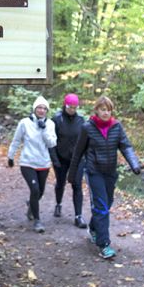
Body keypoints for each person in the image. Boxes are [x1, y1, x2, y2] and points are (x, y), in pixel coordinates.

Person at [68, 95, 141, 259]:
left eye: (108, 110)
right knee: (101, 207)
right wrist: (72, 174)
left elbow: (125, 146)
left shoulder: (117, 127)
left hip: (110, 172)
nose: (106, 113)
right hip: (94, 172)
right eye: (103, 109)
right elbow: (78, 152)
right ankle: (104, 245)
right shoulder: (88, 127)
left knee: (106, 205)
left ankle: (94, 228)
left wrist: (134, 164)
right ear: (97, 110)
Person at [8, 96, 57, 233]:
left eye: (44, 108)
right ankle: (37, 220)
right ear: (34, 109)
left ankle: (31, 206)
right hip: (27, 162)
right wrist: (10, 156)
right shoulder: (24, 123)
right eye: (39, 108)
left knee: (40, 192)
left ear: (47, 110)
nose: (41, 110)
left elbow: (52, 143)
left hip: (43, 163)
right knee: (35, 189)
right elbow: (16, 140)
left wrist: (44, 130)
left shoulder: (51, 124)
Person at [51, 93, 87, 228]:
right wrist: (54, 159)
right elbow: (51, 141)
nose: (72, 109)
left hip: (77, 159)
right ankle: (58, 204)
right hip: (61, 158)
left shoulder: (81, 121)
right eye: (70, 107)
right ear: (65, 105)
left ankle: (78, 216)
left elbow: (85, 140)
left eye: (75, 107)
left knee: (77, 185)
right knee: (60, 183)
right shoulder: (57, 119)